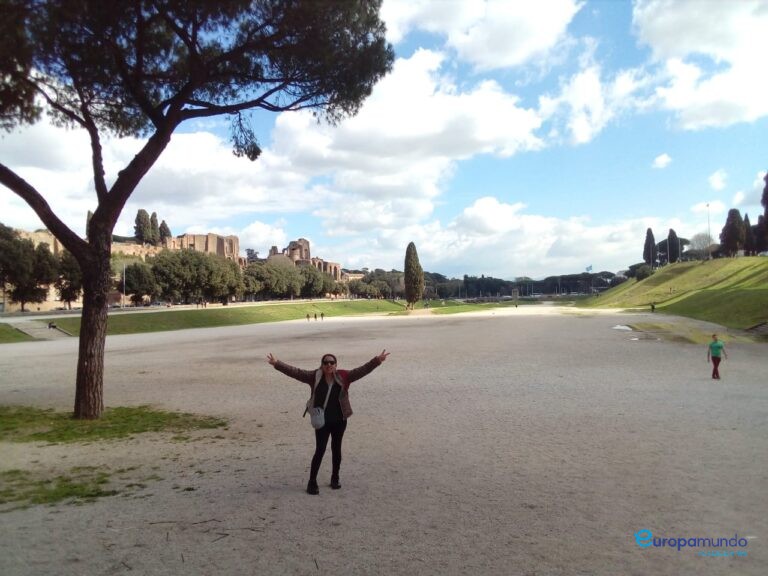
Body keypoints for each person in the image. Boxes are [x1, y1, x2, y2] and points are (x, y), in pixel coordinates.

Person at [266, 349, 390, 495]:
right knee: (320, 450)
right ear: (322, 365)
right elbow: (296, 372)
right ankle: (312, 481)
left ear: (336, 365)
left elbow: (362, 370)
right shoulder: (314, 376)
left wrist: (377, 360)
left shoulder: (344, 376)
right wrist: (277, 364)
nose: (329, 365)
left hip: (339, 420)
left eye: (332, 362)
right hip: (322, 421)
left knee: (336, 449)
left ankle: (335, 477)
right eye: (326, 363)